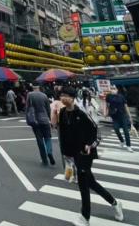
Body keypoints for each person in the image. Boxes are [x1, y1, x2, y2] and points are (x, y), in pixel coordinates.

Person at [58, 87, 124, 226]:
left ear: (72, 97)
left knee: (83, 185)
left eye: (66, 95)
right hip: (73, 154)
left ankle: (85, 217)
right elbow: (62, 135)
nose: (63, 98)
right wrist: (66, 155)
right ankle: (115, 203)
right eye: (61, 95)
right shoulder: (63, 112)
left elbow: (96, 131)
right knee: (91, 183)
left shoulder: (81, 112)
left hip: (84, 153)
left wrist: (90, 144)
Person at [26, 83, 55, 166]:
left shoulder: (30, 95)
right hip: (45, 119)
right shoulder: (44, 96)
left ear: (33, 87)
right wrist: (50, 119)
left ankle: (44, 159)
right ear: (39, 87)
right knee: (47, 137)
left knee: (40, 140)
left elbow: (28, 108)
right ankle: (49, 152)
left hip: (35, 121)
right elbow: (48, 109)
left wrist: (28, 120)